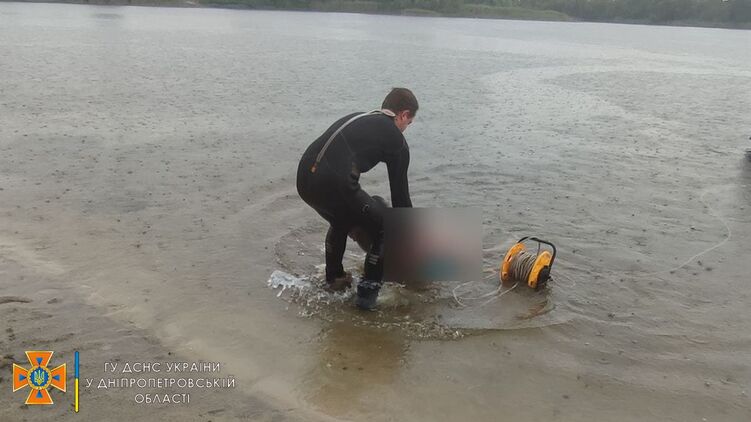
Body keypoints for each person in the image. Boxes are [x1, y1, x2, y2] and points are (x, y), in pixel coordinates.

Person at [296, 88, 417, 310]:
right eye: (408, 123)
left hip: (304, 180)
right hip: (333, 182)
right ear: (404, 115)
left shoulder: (359, 117)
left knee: (342, 218)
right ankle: (366, 300)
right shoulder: (396, 141)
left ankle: (335, 280)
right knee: (386, 227)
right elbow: (400, 199)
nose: (405, 129)